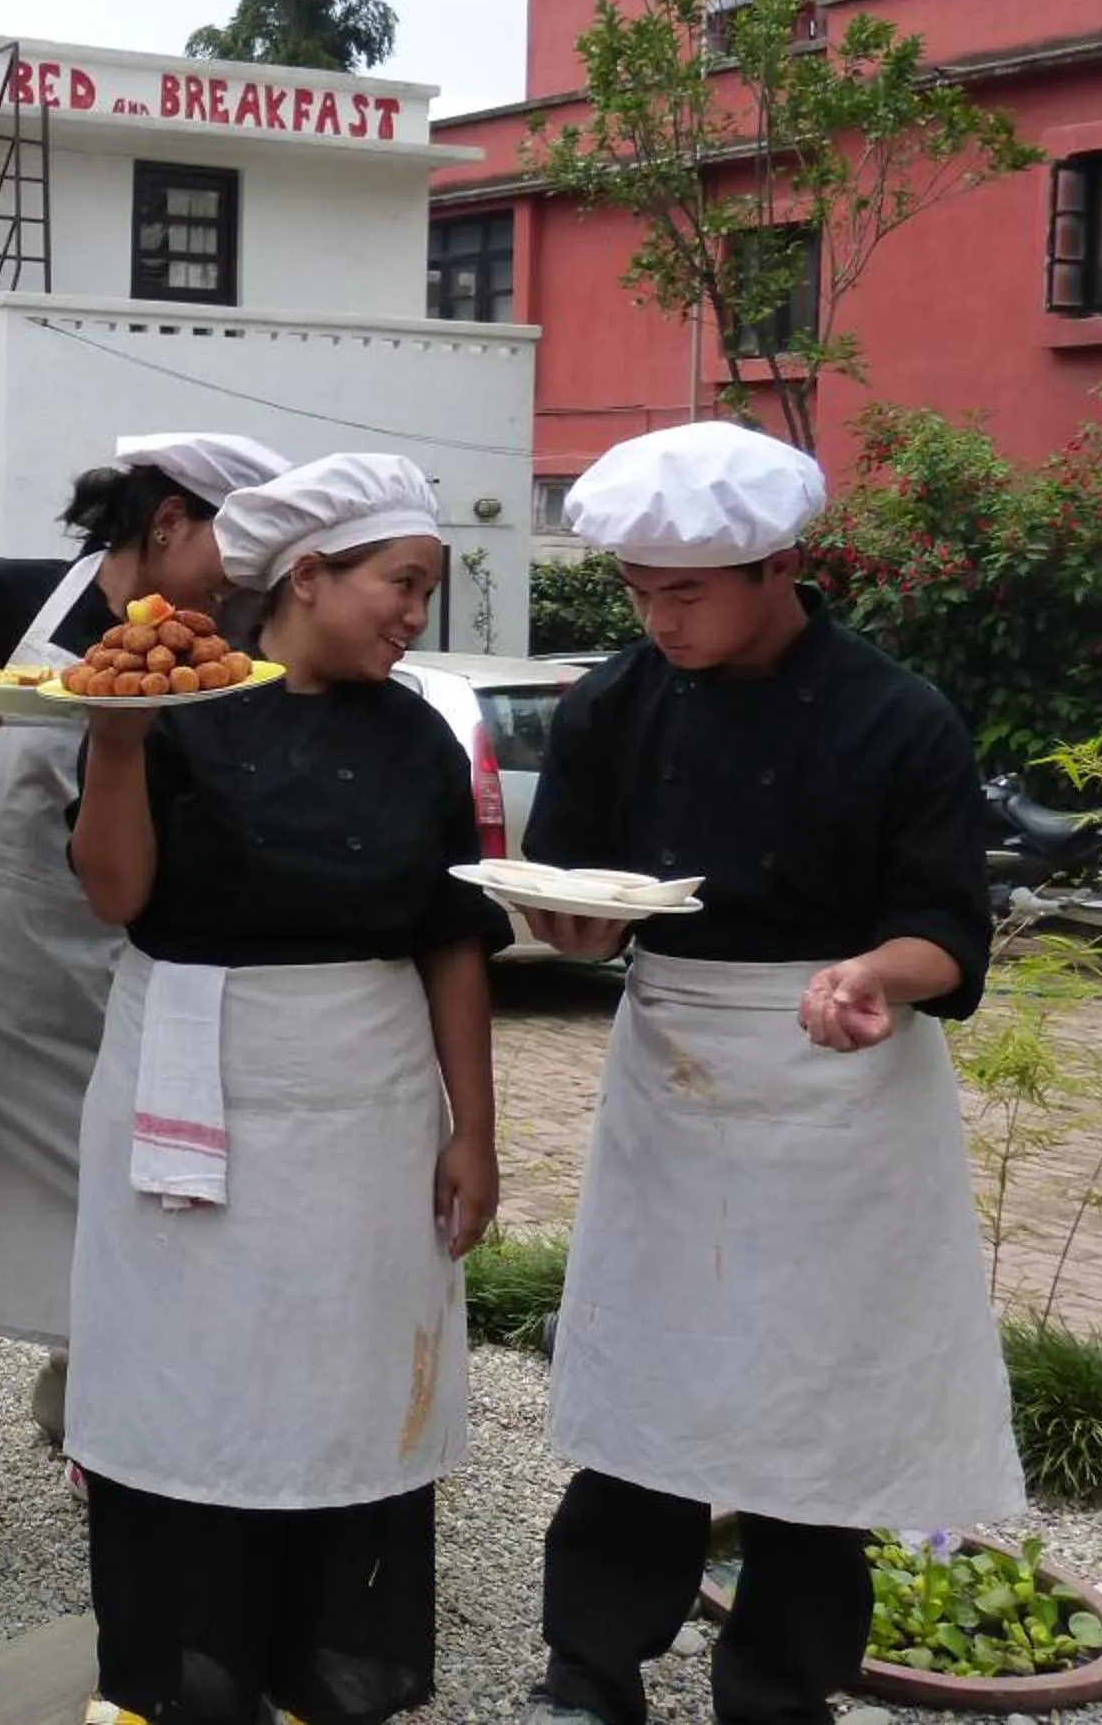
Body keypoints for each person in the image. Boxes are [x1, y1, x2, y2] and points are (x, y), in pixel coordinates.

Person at [518, 421, 1019, 1725]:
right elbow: (575, 884)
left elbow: (948, 930)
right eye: (637, 590)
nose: (657, 617)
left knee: (820, 1394)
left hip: (844, 1077)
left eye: (682, 591)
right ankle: (589, 1670)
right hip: (676, 1060)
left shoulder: (896, 718)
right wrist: (576, 927)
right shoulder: (613, 704)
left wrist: (875, 977)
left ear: (780, 565)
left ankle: (784, 1686)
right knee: (649, 1371)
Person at [65, 450, 503, 1725]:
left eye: (428, 590)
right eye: (400, 584)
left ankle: (330, 1674)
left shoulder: (419, 734)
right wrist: (113, 743)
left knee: (349, 1382)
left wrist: (474, 1128)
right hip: (187, 1089)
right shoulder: (185, 700)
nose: (415, 615)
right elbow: (116, 896)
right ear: (306, 576)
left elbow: (452, 935)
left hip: (364, 1106)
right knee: (184, 1385)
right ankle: (173, 1685)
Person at [0, 431, 288, 1537]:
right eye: (235, 546)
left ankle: (109, 1421)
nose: (245, 580)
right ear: (169, 518)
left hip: (108, 963)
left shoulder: (228, 650)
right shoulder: (9, 595)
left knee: (130, 1206)